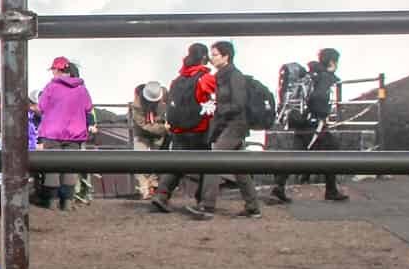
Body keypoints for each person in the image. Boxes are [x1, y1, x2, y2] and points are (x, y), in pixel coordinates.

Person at [189, 39, 262, 220]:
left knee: (214, 161)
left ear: (226, 56)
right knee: (240, 168)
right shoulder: (224, 75)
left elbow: (238, 103)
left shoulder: (234, 76)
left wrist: (219, 109)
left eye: (215, 55)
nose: (211, 58)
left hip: (235, 125)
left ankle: (207, 206)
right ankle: (253, 207)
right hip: (232, 126)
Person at [270, 47, 350, 204]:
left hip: (303, 121)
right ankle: (330, 191)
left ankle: (280, 187)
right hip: (314, 123)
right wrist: (323, 112)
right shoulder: (325, 76)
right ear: (332, 62)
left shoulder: (310, 74)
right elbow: (319, 97)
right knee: (330, 151)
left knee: (300, 154)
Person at [148, 44, 216, 213]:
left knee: (177, 164)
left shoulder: (177, 80)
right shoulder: (205, 78)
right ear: (204, 58)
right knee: (206, 166)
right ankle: (203, 201)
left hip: (178, 130)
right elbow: (215, 99)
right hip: (199, 128)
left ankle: (162, 194)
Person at [35, 56, 96, 209]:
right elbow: (88, 108)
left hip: (52, 133)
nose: (52, 73)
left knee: (52, 167)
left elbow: (41, 107)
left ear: (58, 69)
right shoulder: (82, 89)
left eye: (53, 70)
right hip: (75, 134)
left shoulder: (51, 87)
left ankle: (52, 202)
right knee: (70, 167)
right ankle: (67, 202)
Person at [128, 80, 169, 199]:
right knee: (139, 159)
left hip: (159, 133)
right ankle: (144, 187)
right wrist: (163, 128)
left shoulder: (166, 96)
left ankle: (153, 185)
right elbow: (143, 125)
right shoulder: (136, 105)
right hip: (143, 133)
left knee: (158, 159)